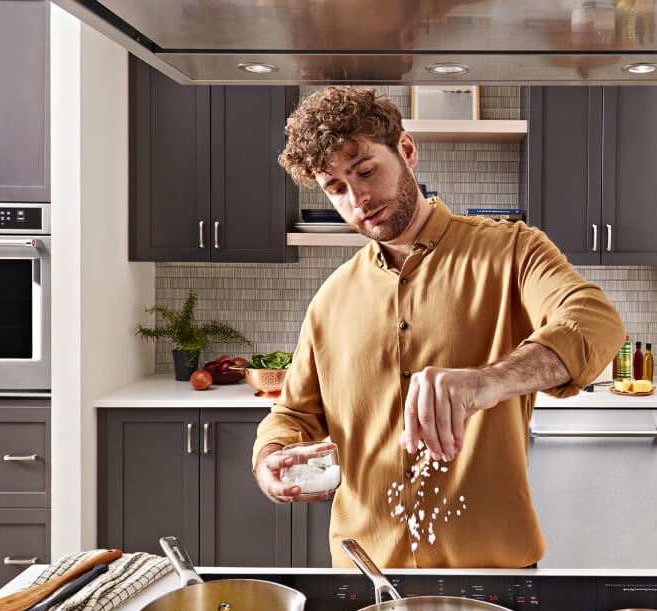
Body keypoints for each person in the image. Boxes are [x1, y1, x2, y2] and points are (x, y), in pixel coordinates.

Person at [252, 86, 624, 569]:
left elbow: (595, 322)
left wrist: (490, 381)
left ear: (406, 150)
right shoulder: (330, 299)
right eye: (336, 188)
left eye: (365, 171)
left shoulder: (513, 250)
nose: (358, 199)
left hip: (492, 568)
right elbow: (294, 414)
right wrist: (271, 455)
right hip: (366, 571)